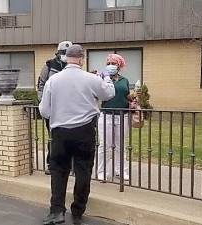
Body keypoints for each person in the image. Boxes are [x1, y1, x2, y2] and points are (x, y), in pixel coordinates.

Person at [39, 44, 115, 225]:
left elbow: (44, 111)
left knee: (58, 171)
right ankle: (78, 210)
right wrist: (107, 77)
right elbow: (108, 94)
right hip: (84, 131)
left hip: (60, 132)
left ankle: (56, 211)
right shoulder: (91, 79)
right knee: (83, 171)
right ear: (82, 59)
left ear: (65, 58)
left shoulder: (53, 81)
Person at [37, 40, 73, 175]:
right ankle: (52, 164)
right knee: (54, 138)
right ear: (58, 53)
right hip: (52, 108)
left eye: (67, 53)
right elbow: (41, 84)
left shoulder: (72, 66)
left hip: (68, 109)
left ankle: (69, 164)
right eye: (63, 53)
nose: (65, 55)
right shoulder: (49, 65)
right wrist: (43, 102)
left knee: (69, 137)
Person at [97, 54, 134, 182]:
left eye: (113, 63)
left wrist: (133, 101)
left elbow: (127, 95)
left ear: (119, 65)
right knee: (105, 146)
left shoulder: (125, 80)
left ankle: (121, 171)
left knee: (120, 146)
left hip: (122, 116)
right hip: (107, 115)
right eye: (108, 63)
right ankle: (102, 172)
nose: (111, 66)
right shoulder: (102, 78)